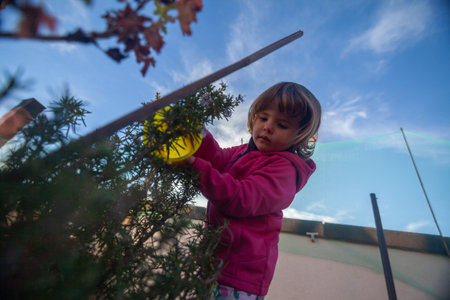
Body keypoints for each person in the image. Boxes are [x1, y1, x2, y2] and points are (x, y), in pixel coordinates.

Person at [185, 82, 322, 299]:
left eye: (282, 125)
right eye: (263, 118)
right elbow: (218, 159)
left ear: (299, 136)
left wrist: (192, 164)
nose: (268, 127)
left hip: (239, 276)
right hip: (213, 262)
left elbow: (241, 198)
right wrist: (198, 135)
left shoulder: (284, 170)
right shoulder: (243, 151)